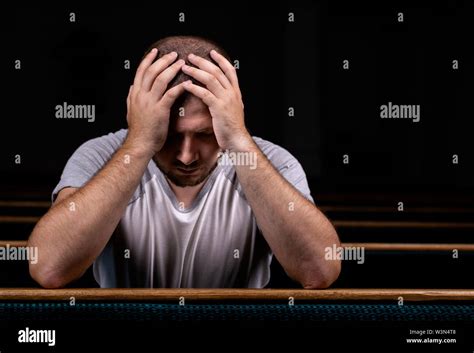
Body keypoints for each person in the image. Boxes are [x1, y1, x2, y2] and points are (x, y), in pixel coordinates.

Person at [27, 35, 341, 288]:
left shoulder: (272, 162)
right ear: (141, 112)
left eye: (205, 134)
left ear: (229, 113)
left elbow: (319, 270)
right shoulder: (100, 156)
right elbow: (49, 267)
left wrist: (237, 139)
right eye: (170, 137)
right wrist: (139, 143)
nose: (186, 156)